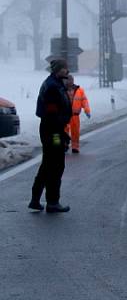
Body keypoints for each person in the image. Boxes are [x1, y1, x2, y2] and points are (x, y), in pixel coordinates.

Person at [29, 58, 72, 213]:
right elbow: (52, 114)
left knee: (48, 163)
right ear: (58, 70)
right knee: (56, 164)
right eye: (65, 68)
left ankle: (35, 199)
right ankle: (53, 201)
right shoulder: (53, 87)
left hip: (52, 129)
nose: (67, 71)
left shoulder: (55, 83)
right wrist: (61, 134)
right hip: (53, 131)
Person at [64, 74, 91, 153]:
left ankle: (75, 147)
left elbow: (84, 101)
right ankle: (64, 144)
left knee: (75, 132)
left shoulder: (79, 90)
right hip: (65, 115)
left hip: (75, 115)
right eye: (68, 80)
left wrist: (87, 110)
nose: (70, 81)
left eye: (71, 80)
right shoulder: (62, 90)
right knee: (64, 131)